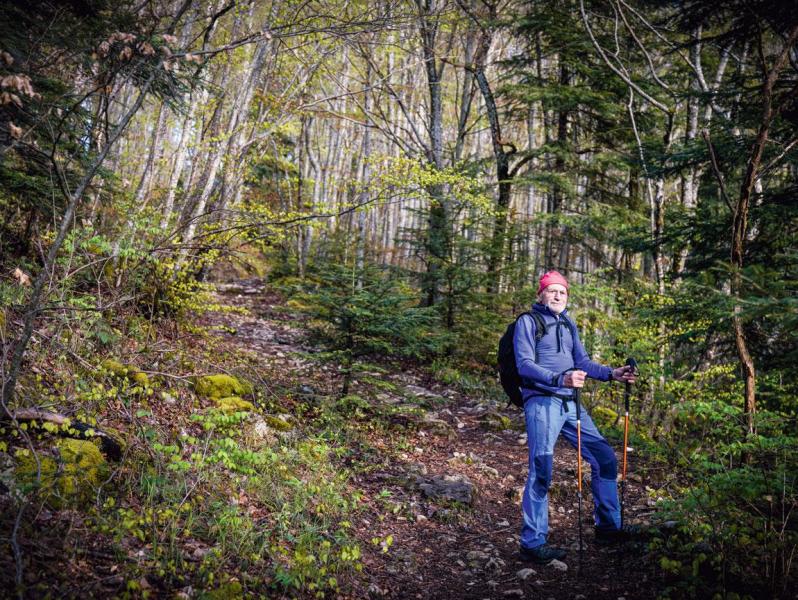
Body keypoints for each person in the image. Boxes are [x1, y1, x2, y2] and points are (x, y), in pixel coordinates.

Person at [514, 270, 637, 564]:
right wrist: (560, 379)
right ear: (539, 294)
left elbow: (581, 362)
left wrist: (611, 374)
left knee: (605, 458)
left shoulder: (569, 323)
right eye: (552, 291)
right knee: (542, 468)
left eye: (563, 292)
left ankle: (609, 527)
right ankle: (532, 544)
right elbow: (524, 365)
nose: (558, 296)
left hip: (571, 402)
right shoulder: (527, 322)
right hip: (542, 402)